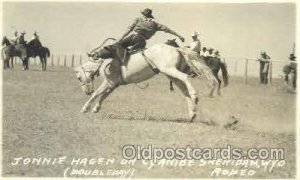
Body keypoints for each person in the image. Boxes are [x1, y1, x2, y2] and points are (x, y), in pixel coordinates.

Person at [88, 8, 185, 60]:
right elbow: (168, 30)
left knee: (116, 46)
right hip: (141, 41)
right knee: (131, 55)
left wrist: (120, 39)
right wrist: (179, 36)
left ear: (143, 14)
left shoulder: (138, 19)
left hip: (132, 36)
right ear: (150, 16)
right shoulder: (156, 24)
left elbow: (129, 29)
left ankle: (96, 54)